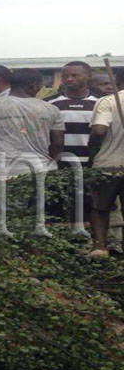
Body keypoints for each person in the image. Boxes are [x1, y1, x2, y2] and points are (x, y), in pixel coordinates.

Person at [0, 69, 65, 180]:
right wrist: (50, 164)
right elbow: (58, 143)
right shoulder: (51, 109)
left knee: (3, 198)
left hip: (4, 172)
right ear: (34, 85)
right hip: (41, 170)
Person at [86, 84, 124, 257]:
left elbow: (100, 130)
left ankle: (99, 247)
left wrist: (91, 145)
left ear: (118, 81)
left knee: (100, 208)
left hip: (109, 165)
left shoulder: (109, 101)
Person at [46, 61, 99, 166]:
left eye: (75, 75)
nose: (69, 79)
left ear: (88, 76)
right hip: (59, 163)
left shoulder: (101, 102)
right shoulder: (49, 103)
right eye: (65, 76)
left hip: (92, 162)